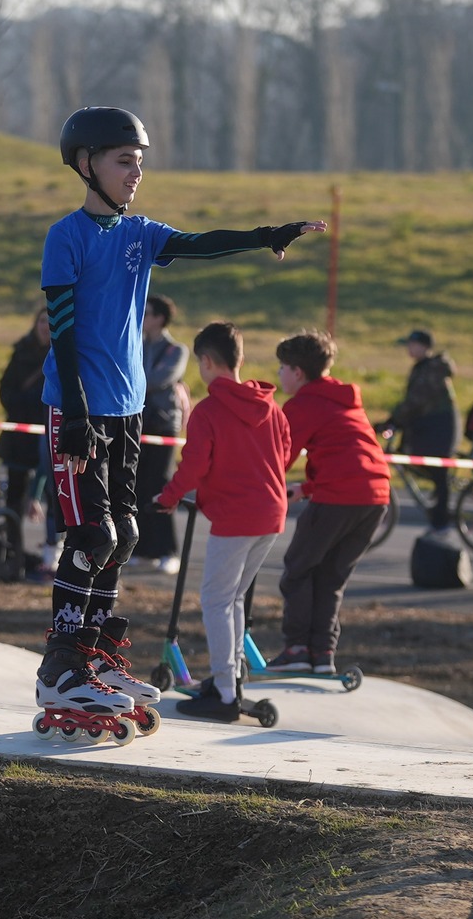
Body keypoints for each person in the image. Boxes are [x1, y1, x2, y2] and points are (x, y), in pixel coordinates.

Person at [34, 105, 323, 730]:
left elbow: (200, 244)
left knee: (126, 536)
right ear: (86, 165)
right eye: (122, 162)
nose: (135, 173)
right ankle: (61, 667)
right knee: (91, 537)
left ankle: (98, 653)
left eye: (140, 163)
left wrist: (265, 235)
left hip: (129, 410)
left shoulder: (139, 233)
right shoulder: (68, 236)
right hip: (78, 409)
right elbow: (60, 333)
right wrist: (78, 414)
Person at [156, 322, 291, 721]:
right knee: (231, 599)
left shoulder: (209, 411)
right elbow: (284, 456)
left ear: (206, 361)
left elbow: (194, 465)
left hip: (236, 516)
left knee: (216, 600)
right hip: (271, 513)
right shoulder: (272, 408)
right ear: (241, 360)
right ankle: (227, 682)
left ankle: (225, 694)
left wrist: (167, 497)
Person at [270, 330, 390, 674]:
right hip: (375, 495)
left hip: (341, 495)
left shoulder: (304, 403)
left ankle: (296, 648)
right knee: (331, 577)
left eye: (282, 367)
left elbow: (279, 457)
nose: (279, 375)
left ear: (297, 371)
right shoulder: (343, 399)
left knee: (297, 569)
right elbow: (347, 453)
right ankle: (322, 653)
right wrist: (305, 488)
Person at [0, 308, 58, 574]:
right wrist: (20, 407)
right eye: (41, 320)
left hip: (48, 430)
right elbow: (5, 388)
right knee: (15, 494)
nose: (45, 326)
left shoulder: (61, 354)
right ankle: (13, 549)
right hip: (20, 435)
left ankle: (50, 553)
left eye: (49, 321)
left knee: (54, 497)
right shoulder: (21, 351)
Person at [381, 329, 458, 530]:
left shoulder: (432, 369)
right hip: (428, 427)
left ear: (424, 347)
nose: (409, 348)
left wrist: (393, 420)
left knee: (439, 473)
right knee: (423, 465)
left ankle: (441, 520)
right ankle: (438, 513)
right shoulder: (423, 368)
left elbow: (416, 400)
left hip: (438, 428)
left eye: (412, 344)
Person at [136, 294, 190, 571]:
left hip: (162, 426)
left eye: (146, 314)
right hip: (139, 424)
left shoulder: (176, 350)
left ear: (159, 318)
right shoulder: (137, 344)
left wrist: (134, 377)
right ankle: (144, 549)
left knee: (159, 485)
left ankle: (169, 550)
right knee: (138, 487)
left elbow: (158, 380)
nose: (142, 318)